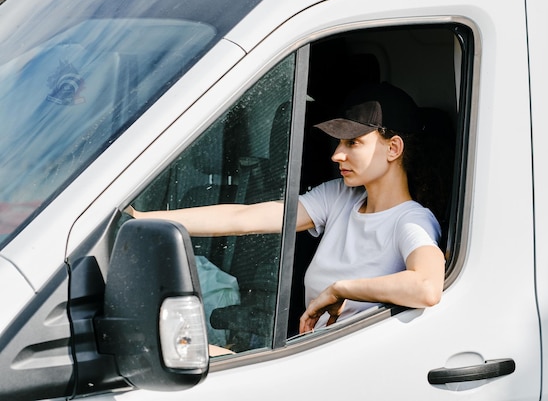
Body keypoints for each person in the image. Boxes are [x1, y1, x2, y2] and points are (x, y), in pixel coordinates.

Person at [128, 82, 445, 335]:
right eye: (338, 143)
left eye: (353, 143)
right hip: (313, 350)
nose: (337, 155)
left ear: (393, 148)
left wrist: (341, 289)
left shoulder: (411, 220)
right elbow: (244, 218)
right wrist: (144, 219)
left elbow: (427, 287)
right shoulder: (340, 197)